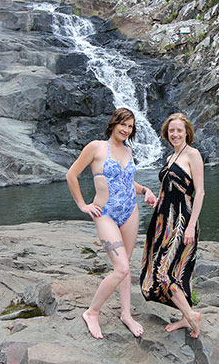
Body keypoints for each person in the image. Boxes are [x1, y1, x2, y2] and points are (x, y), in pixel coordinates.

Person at [66, 107, 157, 339]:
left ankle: (126, 314)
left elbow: (129, 183)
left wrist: (145, 190)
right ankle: (92, 312)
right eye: (123, 124)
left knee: (126, 265)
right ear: (114, 123)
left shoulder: (128, 150)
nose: (126, 129)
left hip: (130, 211)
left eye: (130, 126)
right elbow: (71, 175)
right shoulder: (96, 147)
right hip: (105, 213)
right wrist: (82, 205)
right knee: (121, 268)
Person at [140, 112, 205, 338]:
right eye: (171, 131)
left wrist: (191, 226)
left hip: (181, 222)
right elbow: (168, 191)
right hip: (163, 220)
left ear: (187, 132)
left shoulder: (193, 154)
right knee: (176, 272)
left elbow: (200, 192)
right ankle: (184, 318)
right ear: (166, 134)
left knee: (163, 271)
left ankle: (190, 317)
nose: (175, 134)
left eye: (179, 130)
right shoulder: (170, 158)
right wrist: (155, 201)